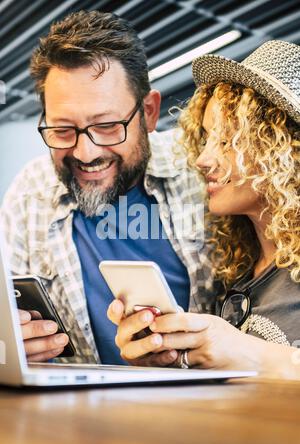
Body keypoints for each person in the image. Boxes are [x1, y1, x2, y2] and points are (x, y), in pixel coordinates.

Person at [0, 10, 214, 365]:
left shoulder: (203, 171)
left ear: (148, 112)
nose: (86, 152)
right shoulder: (29, 194)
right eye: (63, 130)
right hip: (83, 411)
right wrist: (12, 346)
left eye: (107, 126)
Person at [108, 40, 300, 378]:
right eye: (208, 139)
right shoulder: (236, 271)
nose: (203, 159)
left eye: (226, 141)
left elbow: (251, 360)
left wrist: (250, 354)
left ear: (285, 150)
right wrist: (173, 360)